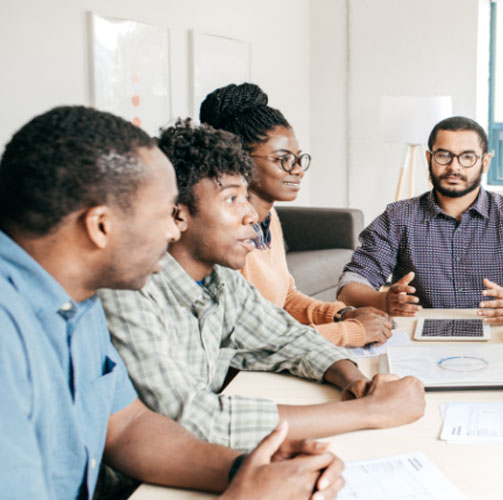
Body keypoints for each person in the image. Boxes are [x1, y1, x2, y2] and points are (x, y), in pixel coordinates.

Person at [0, 105, 344, 499]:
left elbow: (127, 426)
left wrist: (243, 468)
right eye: (164, 214)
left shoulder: (80, 297)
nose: (172, 229)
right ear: (101, 226)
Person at [100, 119, 425, 453]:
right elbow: (193, 419)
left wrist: (355, 381)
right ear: (178, 214)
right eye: (231, 199)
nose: (250, 216)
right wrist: (368, 411)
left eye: (246, 198)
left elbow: (285, 338)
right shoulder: (129, 291)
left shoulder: (220, 277)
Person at [200, 83, 392, 347]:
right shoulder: (225, 235)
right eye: (283, 159)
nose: (298, 170)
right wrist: (350, 332)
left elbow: (286, 297)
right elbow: (248, 341)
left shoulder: (269, 218)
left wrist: (341, 314)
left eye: (299, 158)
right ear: (240, 159)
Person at [337, 116, 503, 324]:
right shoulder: (398, 218)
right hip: (416, 337)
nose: (454, 167)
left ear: (484, 162)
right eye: (444, 156)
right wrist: (381, 300)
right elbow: (350, 285)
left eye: (467, 157)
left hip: (497, 335)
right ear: (429, 158)